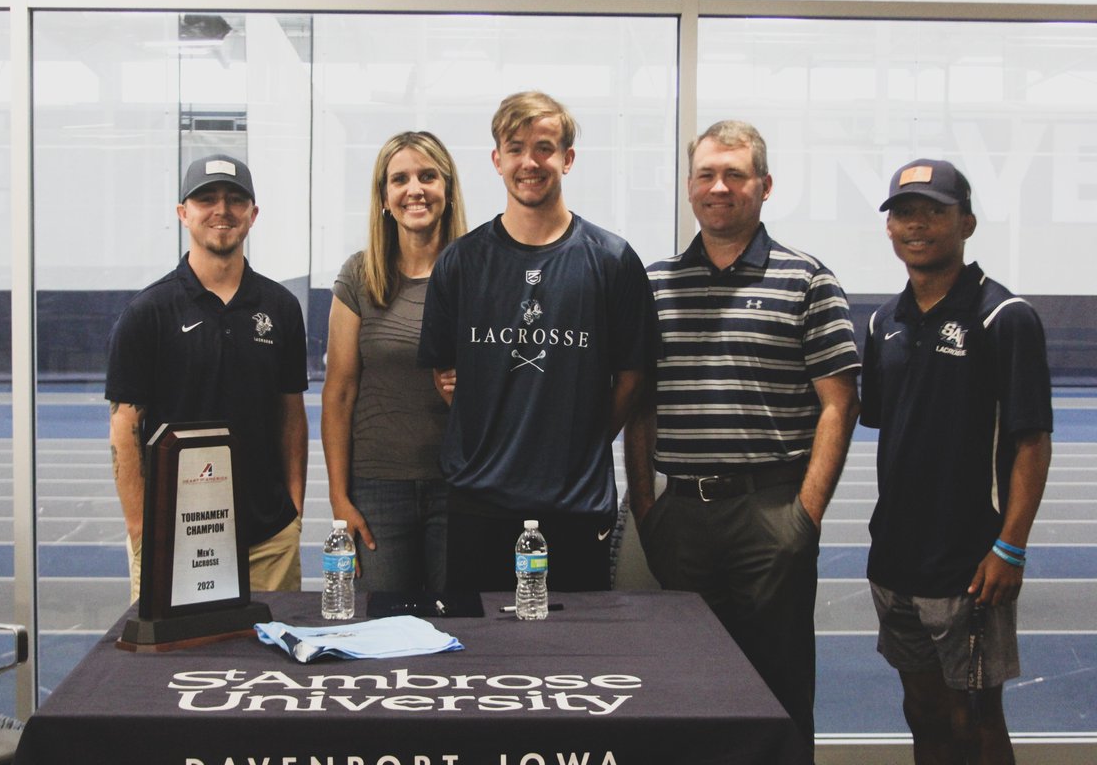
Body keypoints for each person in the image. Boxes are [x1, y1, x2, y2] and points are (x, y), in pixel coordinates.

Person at [624, 120, 861, 750]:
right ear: (689, 186)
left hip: (770, 516)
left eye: (735, 174)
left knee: (776, 701)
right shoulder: (653, 283)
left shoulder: (808, 280)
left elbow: (839, 405)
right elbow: (639, 405)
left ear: (764, 186)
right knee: (682, 698)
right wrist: (647, 507)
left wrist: (802, 519)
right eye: (706, 174)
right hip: (680, 519)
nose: (719, 186)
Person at [417, 91, 651, 593]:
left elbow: (634, 376)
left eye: (544, 147)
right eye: (516, 147)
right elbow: (442, 372)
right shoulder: (461, 262)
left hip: (574, 504)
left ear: (567, 159)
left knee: (573, 663)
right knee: (481, 663)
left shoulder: (612, 260)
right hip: (478, 502)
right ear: (497, 159)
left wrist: (584, 438)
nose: (530, 161)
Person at [862, 159, 1053, 764]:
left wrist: (1011, 547)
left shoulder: (1004, 317)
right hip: (895, 559)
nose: (916, 225)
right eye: (904, 213)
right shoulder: (882, 322)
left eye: (933, 212)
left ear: (965, 222)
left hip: (969, 563)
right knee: (920, 709)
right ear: (890, 229)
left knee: (975, 718)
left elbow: (1031, 442)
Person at [106, 154, 309, 603]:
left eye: (237, 199)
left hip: (267, 542)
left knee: (270, 670)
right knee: (173, 672)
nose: (223, 210)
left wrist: (293, 512)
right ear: (183, 213)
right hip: (173, 543)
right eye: (207, 199)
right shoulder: (147, 313)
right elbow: (125, 426)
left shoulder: (280, 308)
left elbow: (291, 414)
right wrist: (142, 531)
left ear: (253, 215)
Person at [322, 131, 468, 593]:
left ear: (447, 188)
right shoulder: (360, 276)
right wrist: (339, 498)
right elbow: (339, 392)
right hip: (378, 491)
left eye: (428, 176)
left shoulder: (479, 273)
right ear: (384, 197)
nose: (415, 190)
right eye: (400, 179)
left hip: (461, 489)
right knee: (382, 639)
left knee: (464, 636)